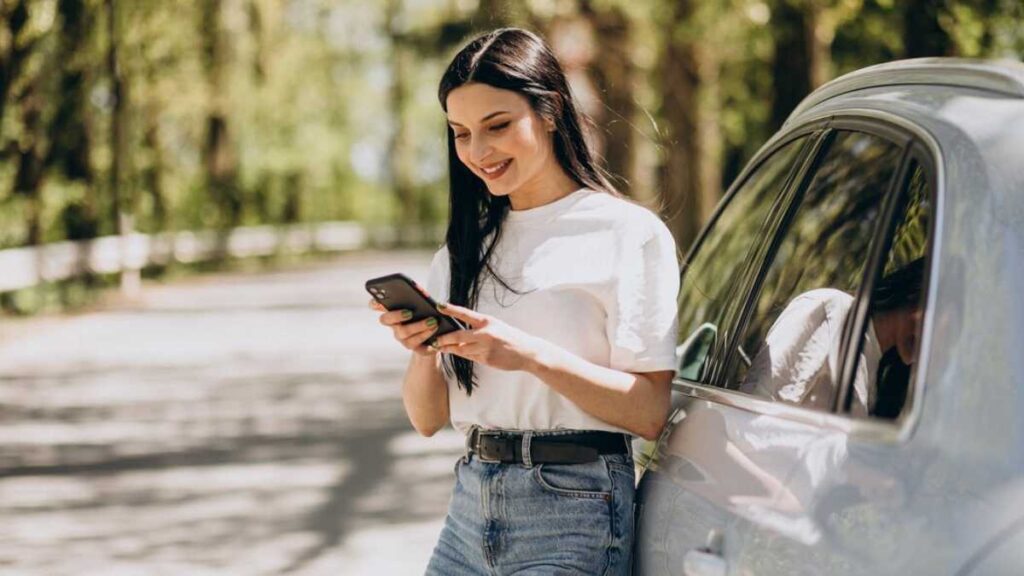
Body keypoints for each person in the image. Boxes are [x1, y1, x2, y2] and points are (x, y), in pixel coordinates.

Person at [370, 28, 679, 575]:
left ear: (551, 111)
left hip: (574, 506)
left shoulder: (626, 233)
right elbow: (425, 419)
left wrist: (526, 354)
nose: (478, 152)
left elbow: (650, 413)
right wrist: (423, 348)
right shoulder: (466, 248)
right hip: (470, 504)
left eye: (498, 126)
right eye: (461, 133)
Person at [740, 258, 925, 417]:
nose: (931, 346)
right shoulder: (832, 312)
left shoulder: (878, 377)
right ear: (919, 292)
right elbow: (753, 409)